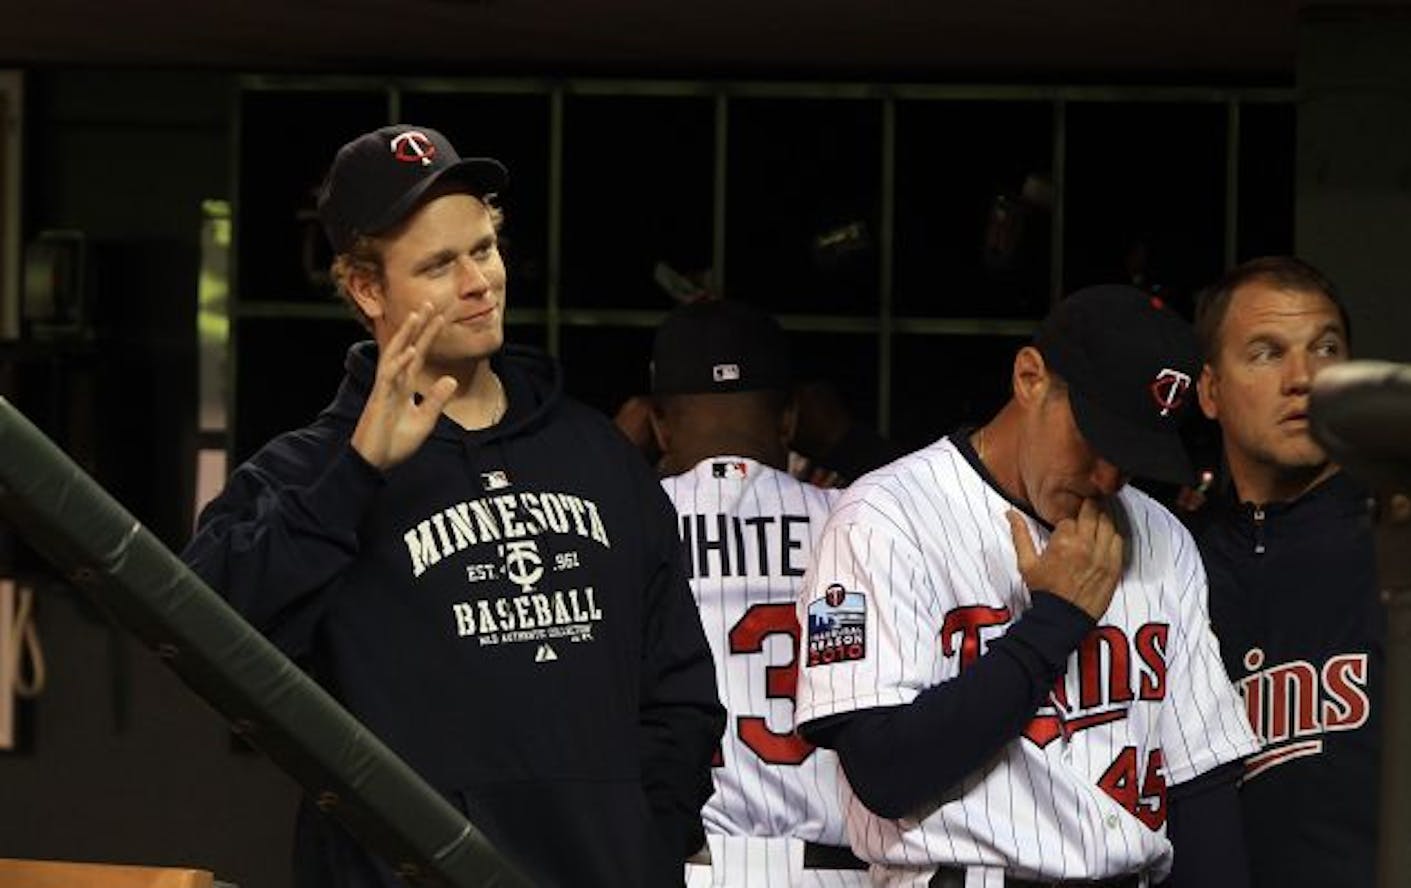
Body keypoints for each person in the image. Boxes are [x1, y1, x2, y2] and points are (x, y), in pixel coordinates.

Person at [182, 124, 724, 887]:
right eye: (439, 265)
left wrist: (640, 842)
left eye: (484, 248)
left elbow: (679, 689)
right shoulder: (305, 473)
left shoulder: (596, 452)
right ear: (367, 288)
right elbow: (203, 633)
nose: (478, 282)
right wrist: (359, 472)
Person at [793, 285, 1258, 888]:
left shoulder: (1159, 534)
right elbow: (884, 771)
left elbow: (1201, 788)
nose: (1109, 475)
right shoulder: (886, 518)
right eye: (1095, 439)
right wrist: (1053, 623)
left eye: (1131, 454)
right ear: (1030, 378)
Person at [646, 300, 871, 887]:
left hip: (686, 869)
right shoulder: (856, 522)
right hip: (834, 872)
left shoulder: (624, 528)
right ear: (788, 420)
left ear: (660, 425)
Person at [1191, 256, 1383, 888]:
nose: (1303, 378)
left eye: (1325, 348)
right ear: (1211, 392)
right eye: (1267, 353)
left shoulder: (1399, 547)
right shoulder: (1170, 562)